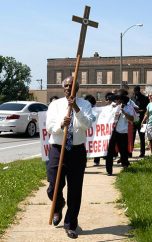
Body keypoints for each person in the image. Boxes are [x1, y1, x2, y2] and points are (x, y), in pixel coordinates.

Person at [46, 76, 93, 239]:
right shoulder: (55, 104)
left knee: (75, 190)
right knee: (53, 185)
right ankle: (58, 205)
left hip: (77, 151)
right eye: (66, 85)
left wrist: (76, 109)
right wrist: (61, 125)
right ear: (62, 88)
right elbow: (49, 127)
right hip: (58, 149)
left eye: (71, 85)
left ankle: (70, 224)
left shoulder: (85, 105)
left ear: (77, 88)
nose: (68, 88)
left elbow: (87, 124)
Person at [106, 94, 134, 175]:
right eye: (116, 99)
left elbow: (132, 119)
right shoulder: (113, 107)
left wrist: (124, 112)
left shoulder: (129, 108)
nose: (117, 101)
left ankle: (125, 165)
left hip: (123, 132)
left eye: (118, 99)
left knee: (123, 151)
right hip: (113, 132)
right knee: (110, 151)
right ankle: (109, 170)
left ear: (123, 100)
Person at [131, 85, 149, 157]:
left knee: (142, 137)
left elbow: (147, 110)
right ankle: (130, 152)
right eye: (135, 91)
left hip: (142, 120)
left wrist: (140, 111)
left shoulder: (144, 98)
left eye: (137, 91)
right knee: (132, 137)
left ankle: (142, 153)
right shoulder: (132, 98)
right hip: (134, 120)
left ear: (139, 91)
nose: (136, 92)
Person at [84, 94, 99, 166]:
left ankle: (96, 160)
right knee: (85, 146)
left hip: (95, 131)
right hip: (86, 131)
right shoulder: (84, 109)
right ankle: (84, 162)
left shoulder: (97, 110)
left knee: (96, 145)